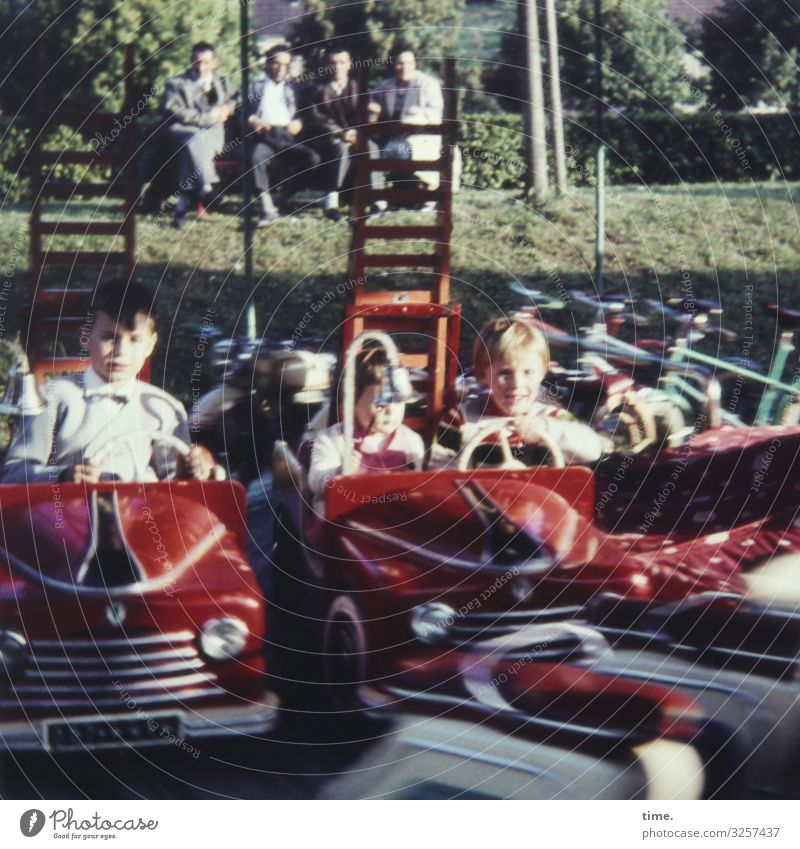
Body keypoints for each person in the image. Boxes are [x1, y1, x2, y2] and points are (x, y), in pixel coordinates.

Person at [1, 279, 219, 484]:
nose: (121, 351)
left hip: (143, 515)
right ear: (85, 336)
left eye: (135, 339)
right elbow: (15, 473)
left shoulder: (163, 407)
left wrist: (191, 470)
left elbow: (173, 484)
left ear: (150, 345)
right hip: (72, 515)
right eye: (109, 337)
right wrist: (63, 475)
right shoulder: (54, 398)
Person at [432, 317, 607, 468]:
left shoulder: (552, 417)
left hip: (542, 503)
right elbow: (439, 473)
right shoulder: (461, 419)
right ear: (483, 375)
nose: (517, 384)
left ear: (541, 373)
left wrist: (544, 428)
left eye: (528, 372)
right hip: (481, 503)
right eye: (505, 373)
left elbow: (593, 450)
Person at [308, 347, 425, 517]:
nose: (392, 412)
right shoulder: (332, 439)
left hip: (391, 518)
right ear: (353, 402)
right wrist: (340, 472)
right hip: (343, 517)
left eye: (398, 401)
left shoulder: (411, 442)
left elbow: (415, 487)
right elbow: (316, 483)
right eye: (380, 404)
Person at [160, 42, 238, 229]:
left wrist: (226, 108)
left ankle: (181, 211)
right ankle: (206, 187)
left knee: (192, 147)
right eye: (196, 62)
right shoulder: (176, 83)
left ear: (215, 62)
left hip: (211, 135)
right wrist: (208, 117)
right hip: (180, 131)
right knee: (192, 137)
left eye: (205, 63)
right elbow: (176, 112)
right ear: (191, 62)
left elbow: (238, 99)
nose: (200, 67)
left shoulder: (224, 82)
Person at [247, 44, 321, 225]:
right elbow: (239, 111)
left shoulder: (298, 89)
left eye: (285, 65)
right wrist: (251, 119)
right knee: (256, 156)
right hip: (264, 134)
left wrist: (300, 122)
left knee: (312, 159)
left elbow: (308, 114)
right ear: (267, 64)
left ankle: (283, 197)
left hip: (287, 137)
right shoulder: (253, 87)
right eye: (276, 63)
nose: (281, 69)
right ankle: (267, 208)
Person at [368, 45, 444, 212]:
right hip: (388, 134)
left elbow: (437, 113)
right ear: (393, 65)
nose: (404, 68)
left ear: (416, 64)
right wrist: (372, 109)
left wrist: (420, 113)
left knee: (395, 148)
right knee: (369, 146)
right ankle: (379, 198)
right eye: (399, 63)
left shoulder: (427, 84)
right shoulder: (385, 86)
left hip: (418, 136)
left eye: (409, 63)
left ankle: (411, 197)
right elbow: (369, 103)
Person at [302, 47, 362, 222]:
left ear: (349, 64)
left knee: (370, 147)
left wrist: (356, 132)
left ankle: (375, 201)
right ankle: (331, 202)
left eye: (342, 62)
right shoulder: (314, 89)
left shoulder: (359, 87)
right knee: (340, 148)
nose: (337, 67)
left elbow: (365, 114)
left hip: (354, 137)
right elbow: (316, 118)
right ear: (326, 65)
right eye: (333, 62)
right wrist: (341, 134)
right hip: (324, 140)